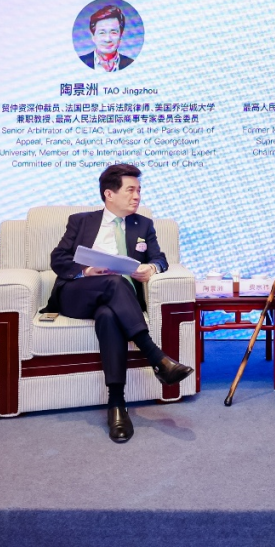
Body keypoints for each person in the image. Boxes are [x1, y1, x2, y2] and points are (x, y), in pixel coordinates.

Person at [45, 164, 192, 442]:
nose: (137, 196)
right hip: (78, 294)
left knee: (109, 316)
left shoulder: (143, 224)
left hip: (120, 302)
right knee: (113, 281)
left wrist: (151, 268)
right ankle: (156, 357)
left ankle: (116, 404)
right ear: (109, 194)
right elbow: (58, 259)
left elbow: (160, 258)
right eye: (130, 190)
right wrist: (87, 270)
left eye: (139, 190)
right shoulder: (81, 221)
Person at [79, 4, 135, 71]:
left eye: (113, 32)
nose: (107, 39)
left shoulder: (132, 64)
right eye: (102, 33)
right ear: (93, 37)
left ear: (120, 35)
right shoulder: (79, 63)